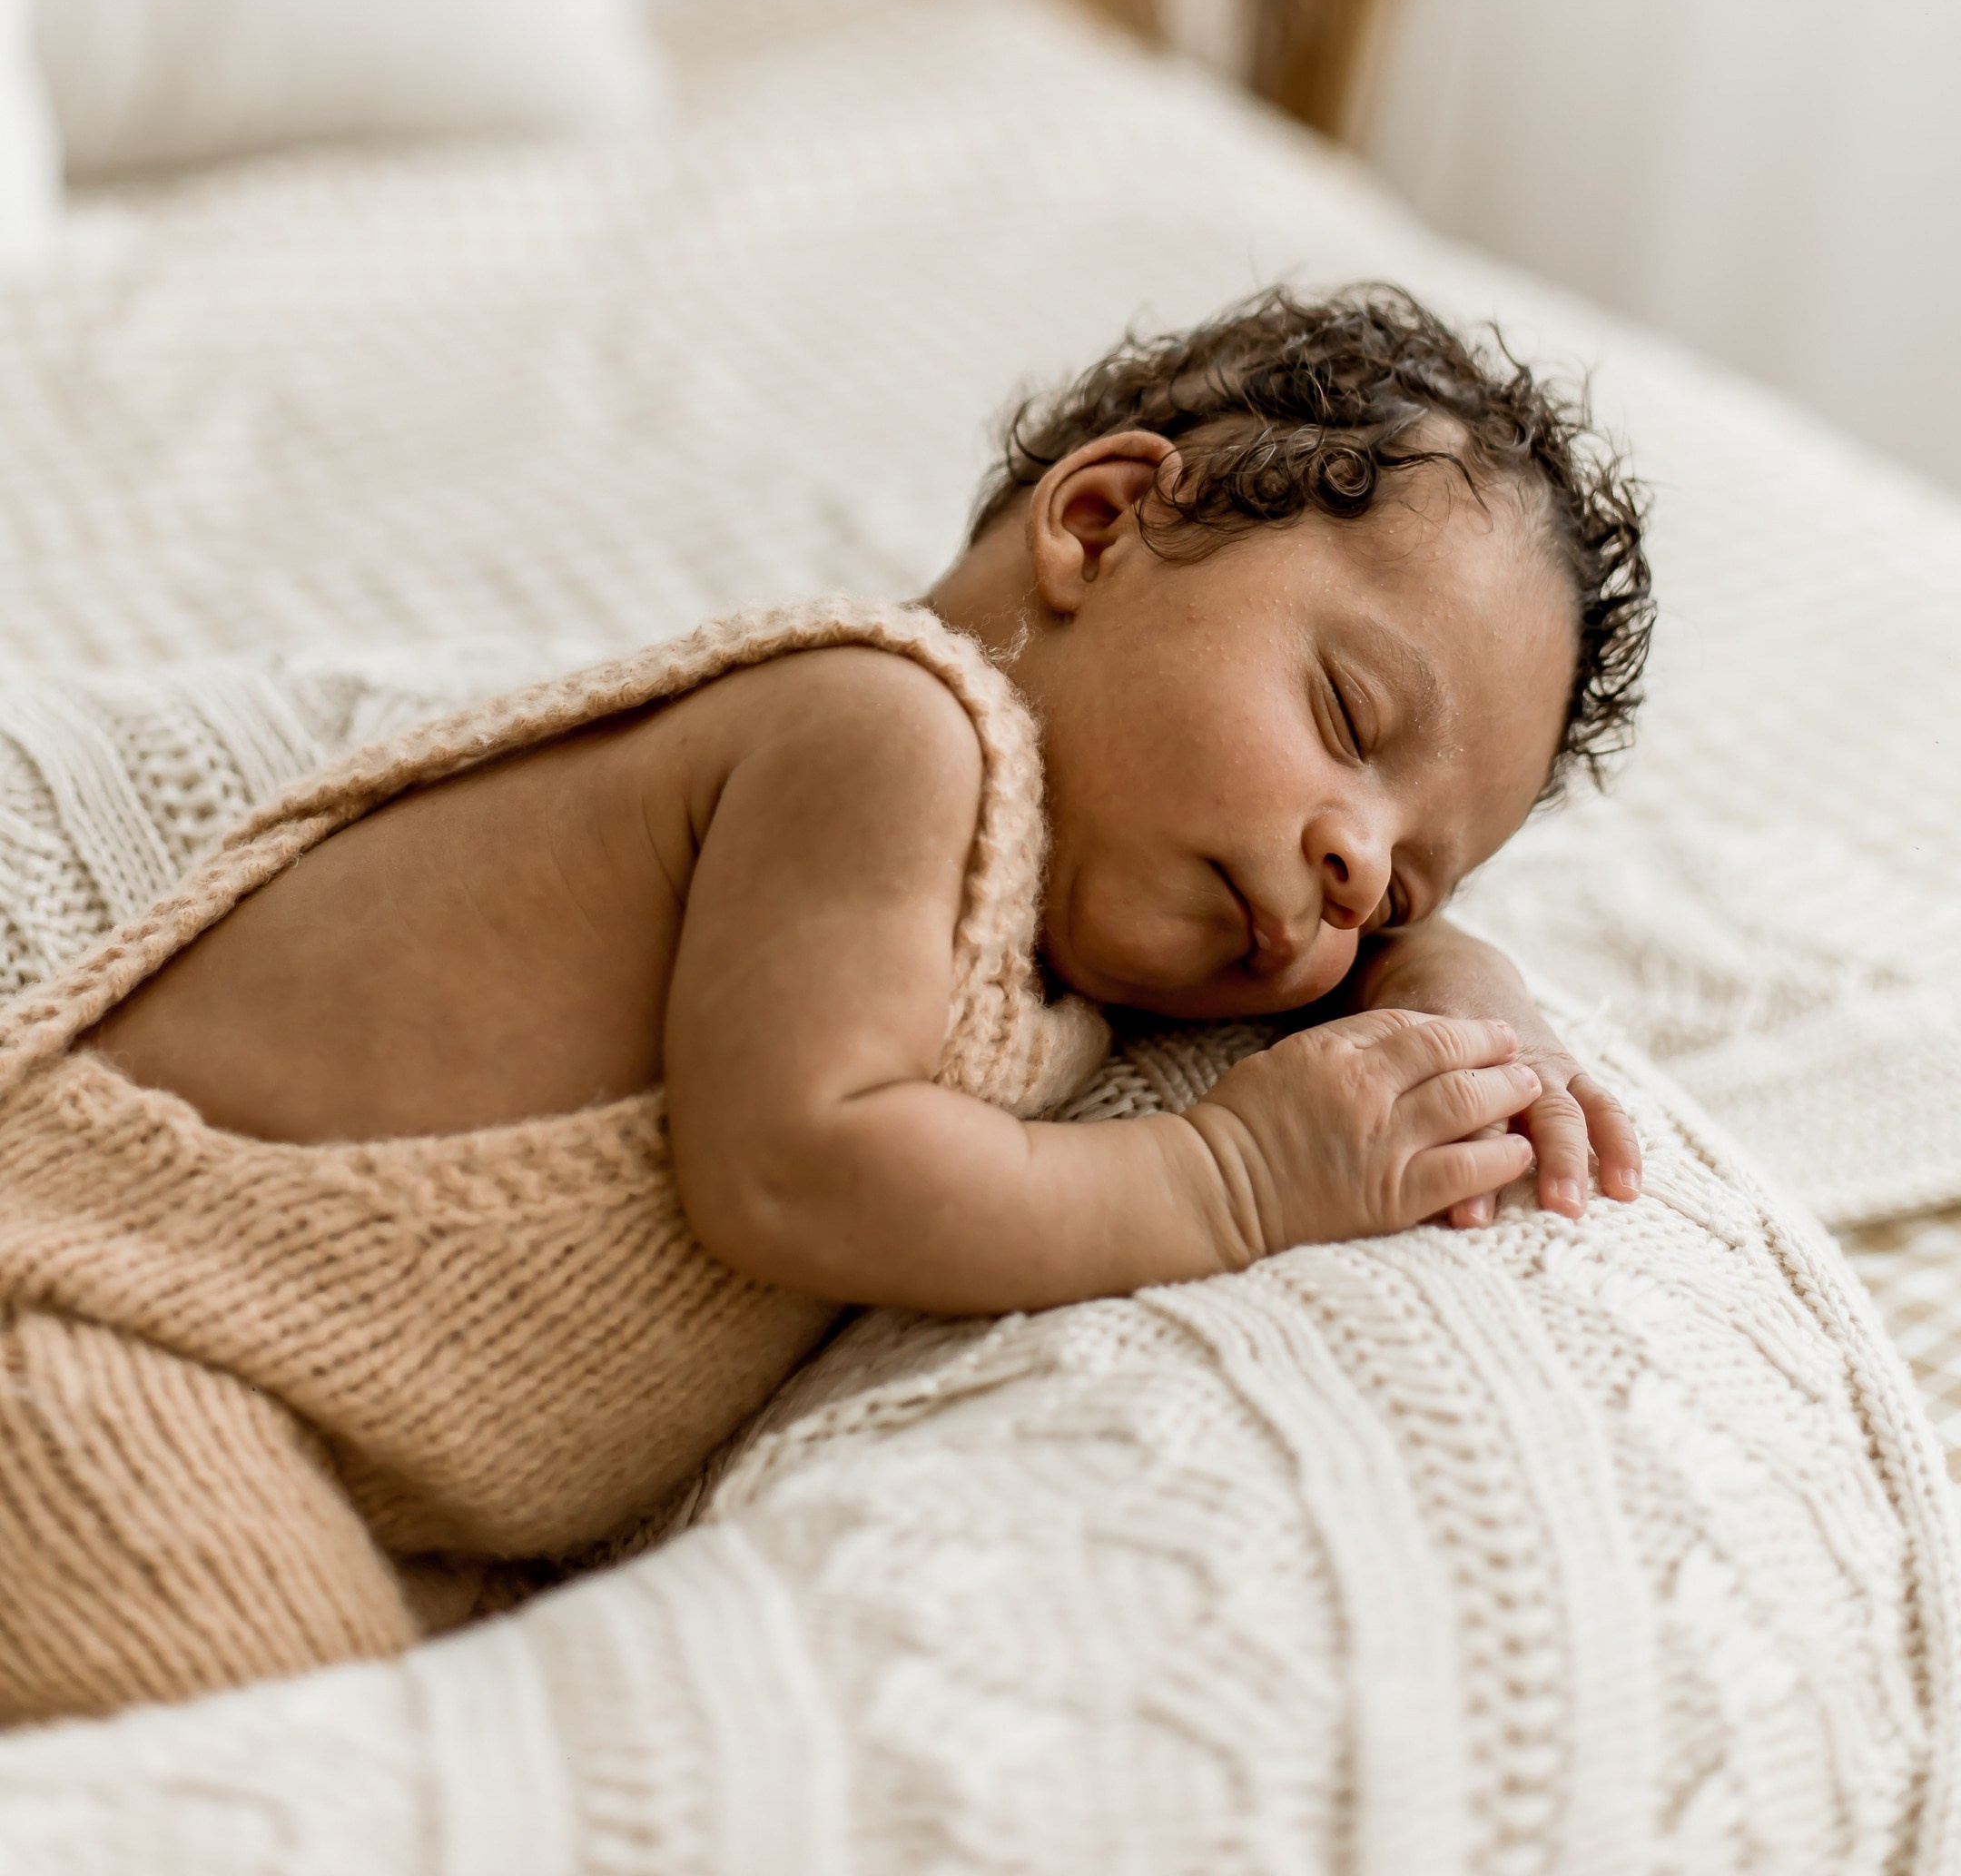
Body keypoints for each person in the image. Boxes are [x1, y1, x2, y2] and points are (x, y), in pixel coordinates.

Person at [0, 287, 1652, 1720]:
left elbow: (1362, 972)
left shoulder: (1083, 927)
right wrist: (1233, 1176)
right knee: (354, 1801)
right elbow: (795, 1162)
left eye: (1416, 874)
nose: (1359, 866)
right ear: (1097, 525)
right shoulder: (885, 732)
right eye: (1349, 714)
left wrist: (1468, 992)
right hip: (95, 1368)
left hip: (321, 1461)